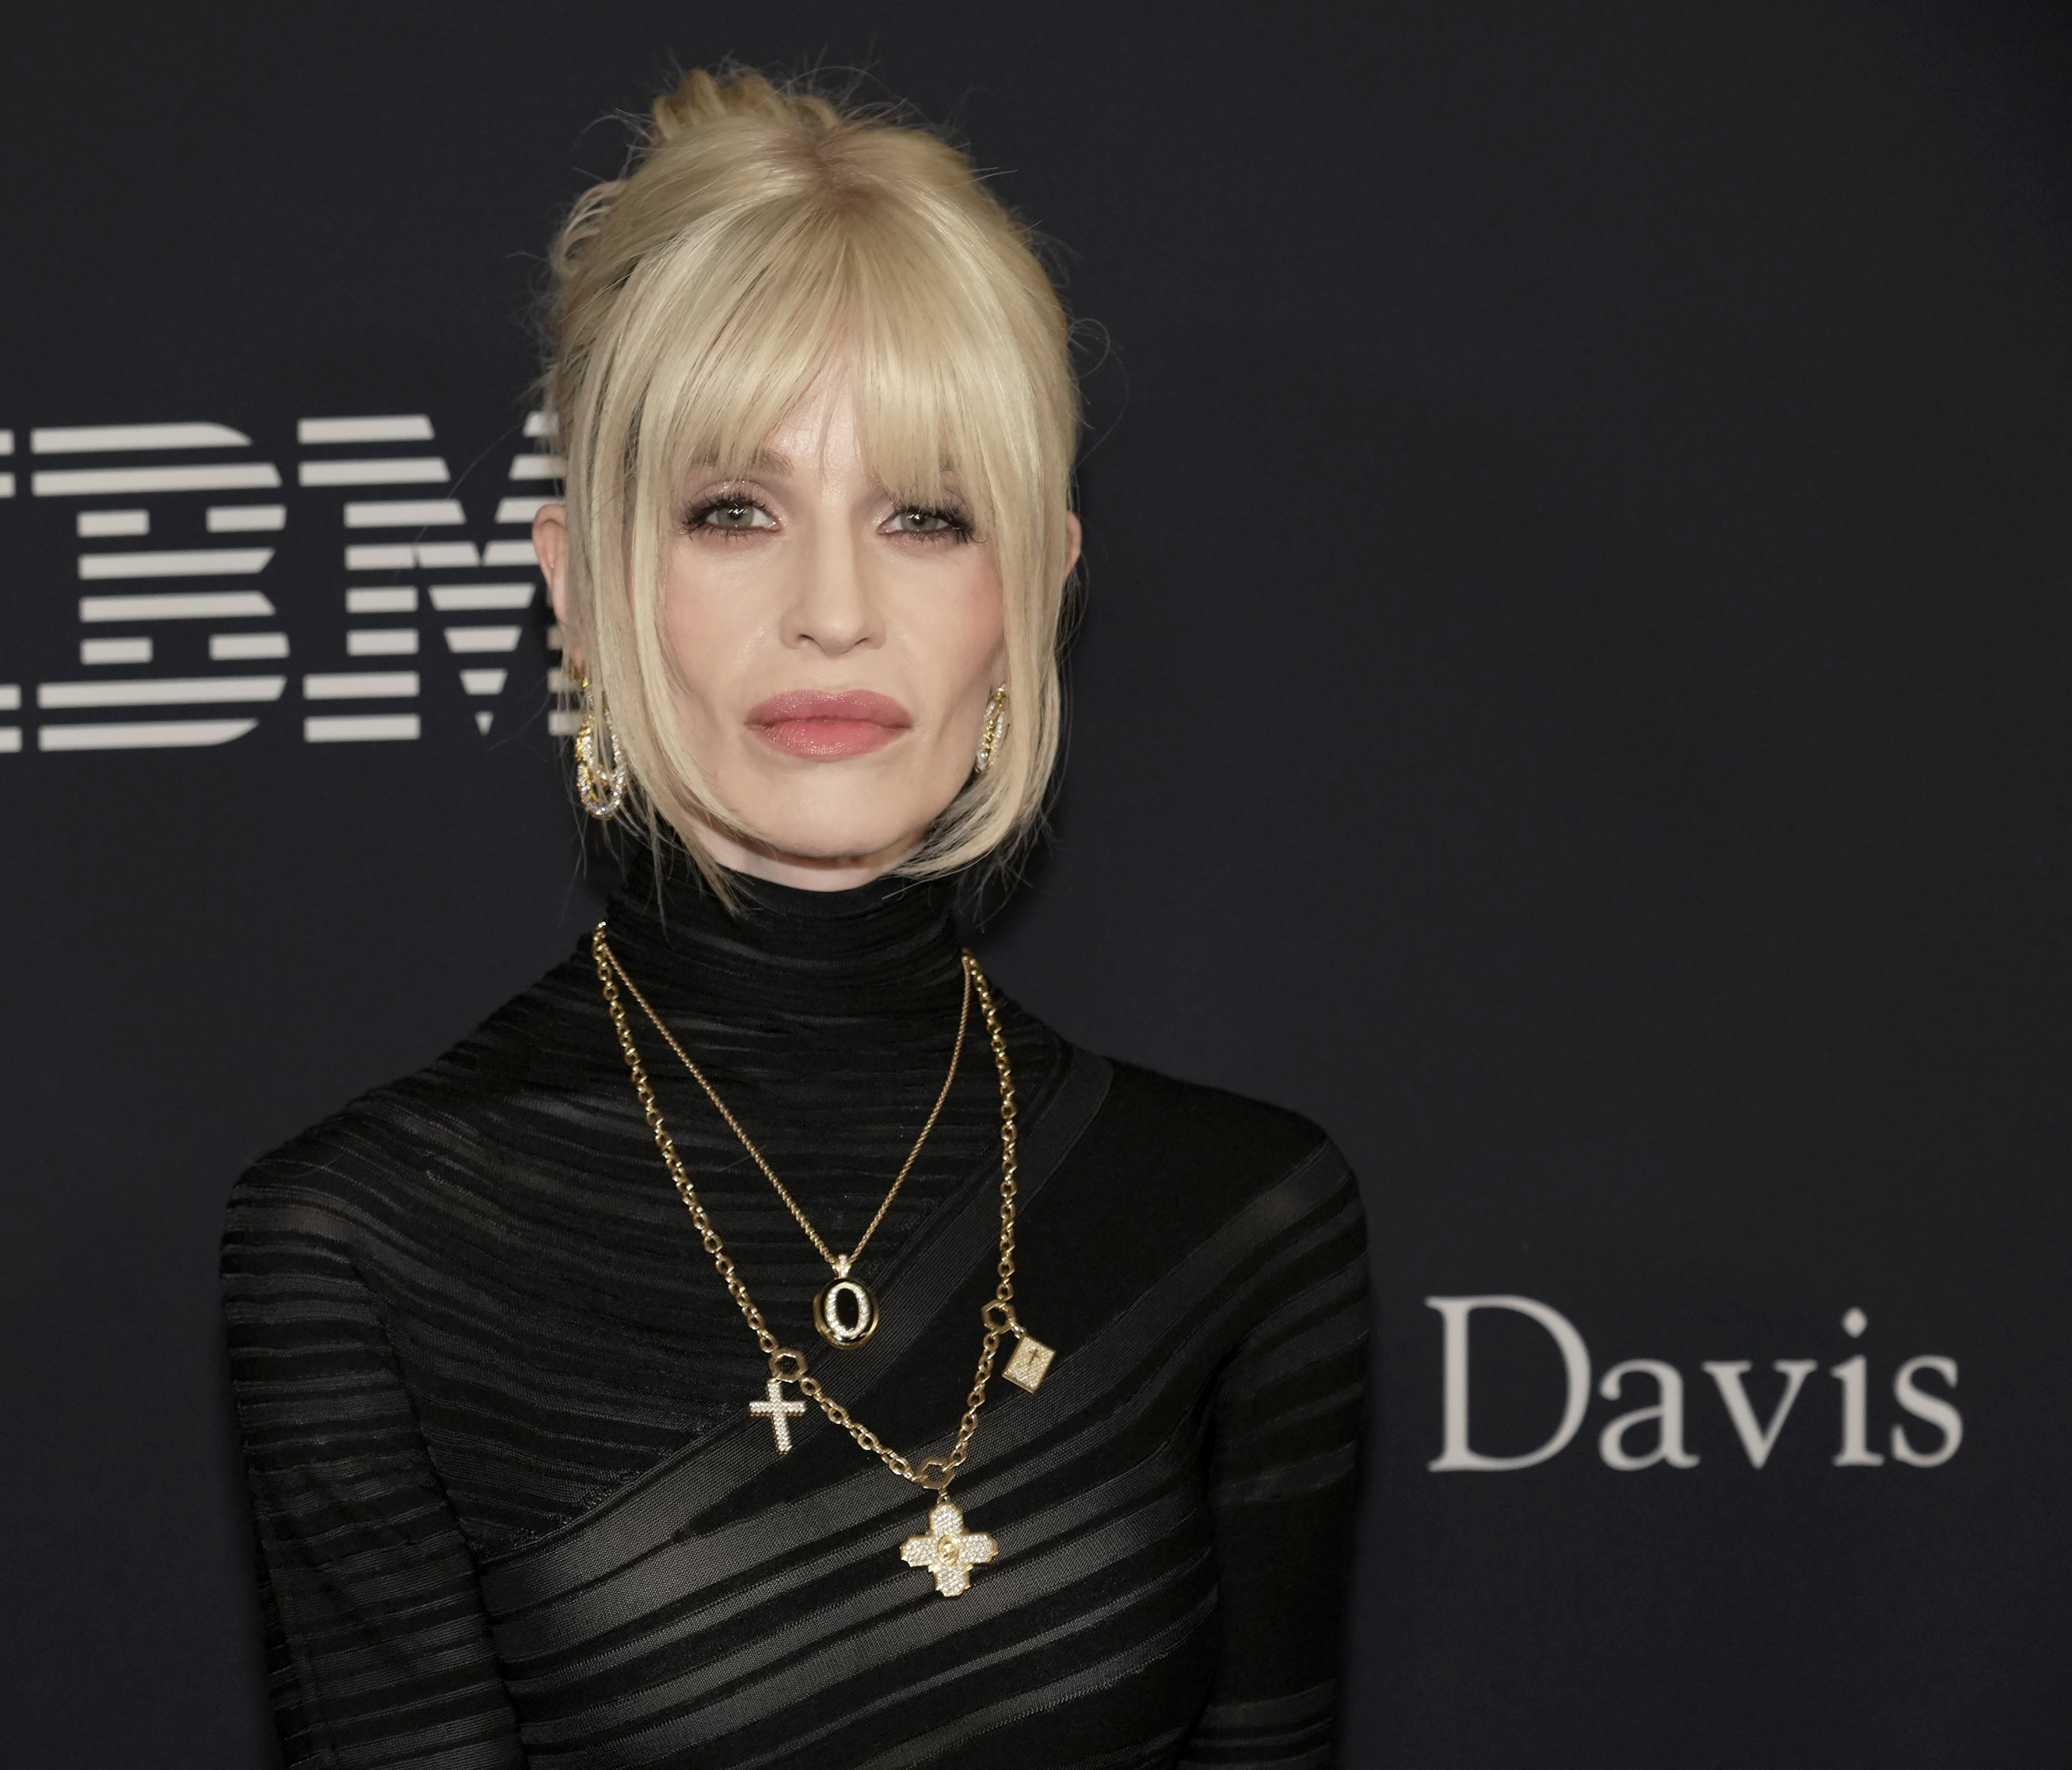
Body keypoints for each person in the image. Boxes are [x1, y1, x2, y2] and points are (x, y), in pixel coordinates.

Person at [224, 67, 1368, 1769]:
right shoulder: (369, 1243)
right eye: (733, 512)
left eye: (924, 516)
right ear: (579, 592)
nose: (835, 608)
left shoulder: (1243, 1218)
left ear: (1036, 588)